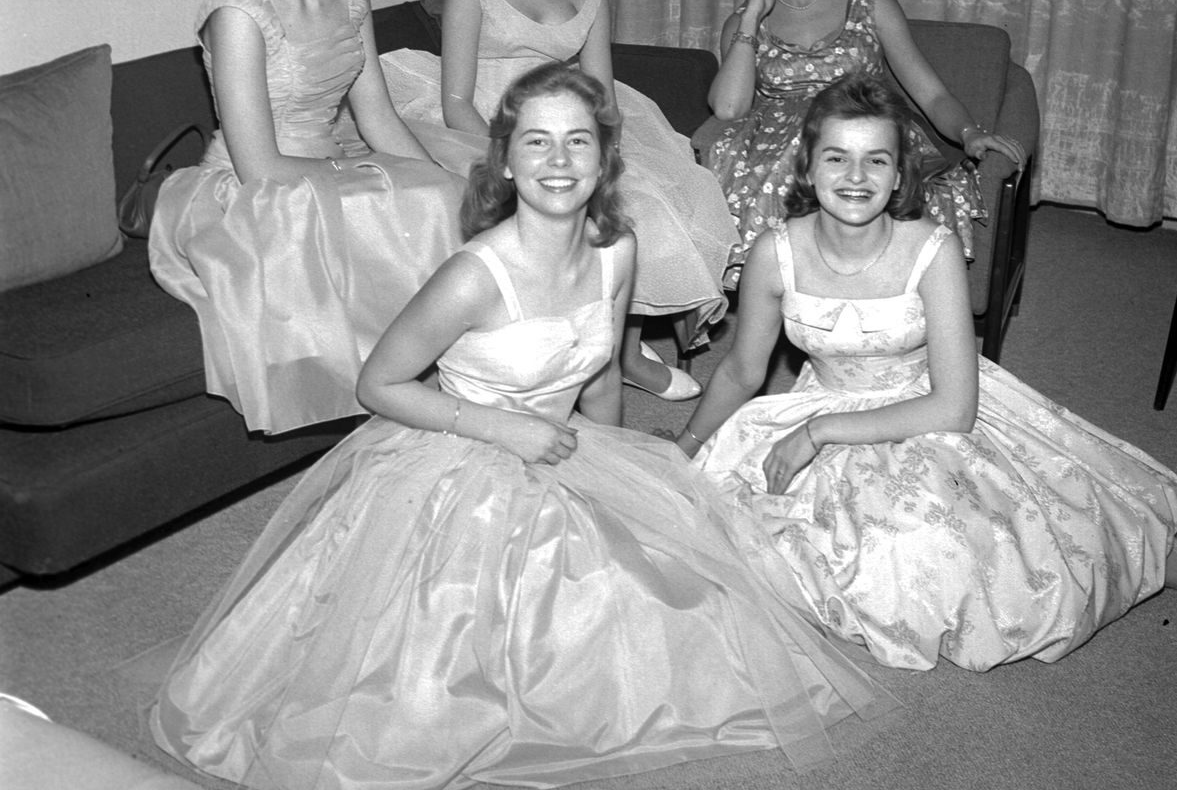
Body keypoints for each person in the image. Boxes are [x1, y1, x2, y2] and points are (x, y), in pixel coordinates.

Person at [150, 64, 894, 789]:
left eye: (577, 141)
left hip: (561, 446)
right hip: (457, 458)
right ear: (505, 161)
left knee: (681, 618)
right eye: (536, 142)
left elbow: (600, 376)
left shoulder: (616, 250)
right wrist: (505, 432)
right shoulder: (474, 274)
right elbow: (378, 384)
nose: (558, 161)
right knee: (431, 680)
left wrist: (620, 476)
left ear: (604, 161)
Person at [677, 74, 1177, 671]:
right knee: (729, 525)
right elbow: (741, 370)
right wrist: (683, 448)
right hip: (821, 397)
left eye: (876, 159)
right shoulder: (774, 251)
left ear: (898, 176)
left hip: (929, 408)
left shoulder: (933, 250)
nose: (856, 176)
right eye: (836, 157)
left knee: (943, 548)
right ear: (807, 168)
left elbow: (954, 408)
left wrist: (819, 432)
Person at [382, 0, 740, 398]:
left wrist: (603, 155)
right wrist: (510, 156)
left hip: (567, 116)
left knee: (640, 201)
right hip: (481, 126)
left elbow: (602, 96)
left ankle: (620, 352)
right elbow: (455, 101)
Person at [149, 0, 465, 434]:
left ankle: (463, 388)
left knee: (449, 191)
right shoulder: (238, 12)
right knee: (399, 207)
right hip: (258, 191)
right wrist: (369, 179)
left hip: (330, 161)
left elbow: (376, 113)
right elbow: (259, 164)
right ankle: (413, 399)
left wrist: (447, 182)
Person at [698, 0, 1025, 283]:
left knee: (820, 148)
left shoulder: (870, 2)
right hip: (778, 158)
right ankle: (794, 287)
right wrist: (751, 17)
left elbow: (931, 94)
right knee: (795, 154)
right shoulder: (743, 21)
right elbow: (728, 109)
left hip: (864, 139)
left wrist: (969, 133)